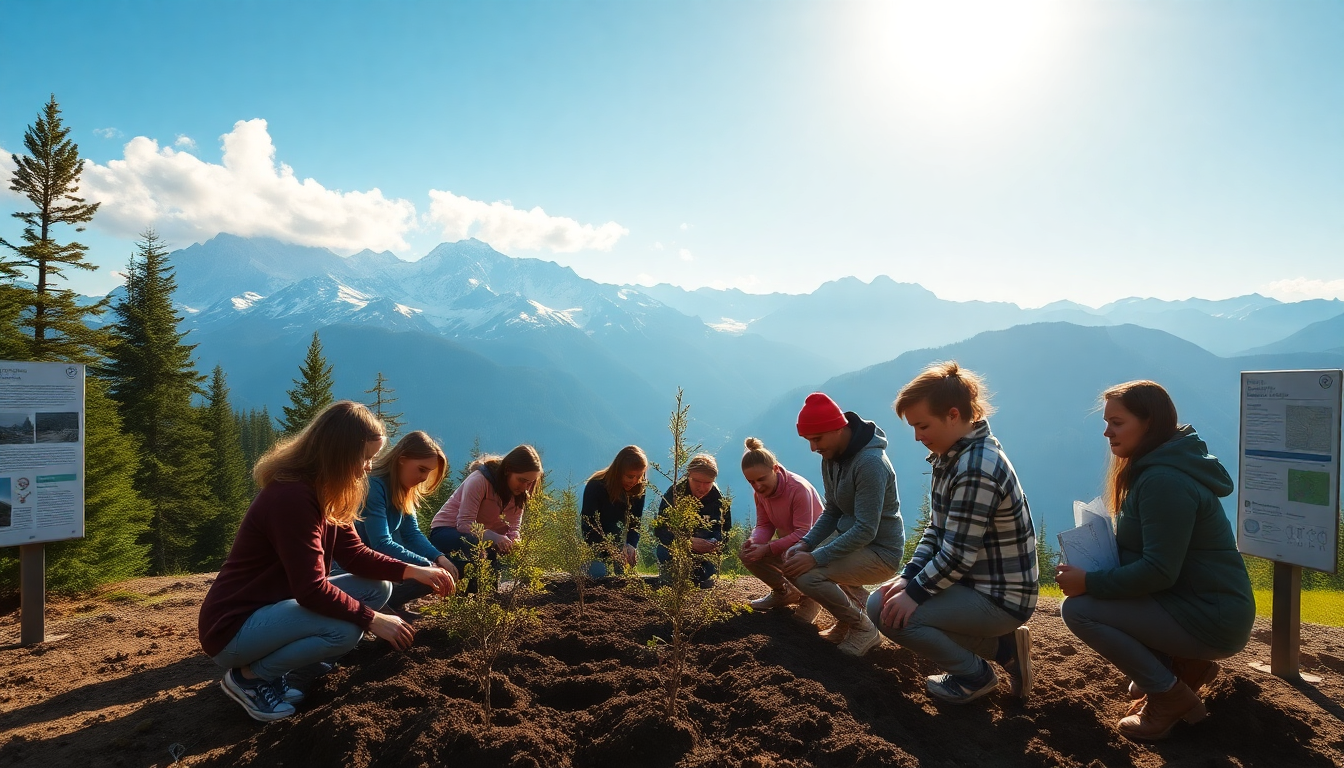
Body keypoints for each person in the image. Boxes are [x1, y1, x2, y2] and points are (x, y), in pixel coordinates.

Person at [198, 401, 456, 722]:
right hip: (232, 629)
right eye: (364, 458)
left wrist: (415, 571)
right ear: (339, 454)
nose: (367, 468)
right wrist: (372, 619)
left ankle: (274, 669)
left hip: (269, 610)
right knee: (345, 632)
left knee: (377, 586)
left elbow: (355, 555)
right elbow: (311, 590)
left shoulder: (326, 491)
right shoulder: (291, 498)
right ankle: (250, 678)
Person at [1058, 380, 1253, 741]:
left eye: (1116, 422)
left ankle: (1169, 696)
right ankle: (1183, 665)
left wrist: (1089, 583)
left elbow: (1160, 571)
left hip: (1210, 617)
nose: (1107, 432)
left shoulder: (1164, 481)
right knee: (1094, 608)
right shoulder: (1156, 469)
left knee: (1078, 610)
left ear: (1148, 423)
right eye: (1107, 422)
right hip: (1195, 603)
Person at [869, 362, 1039, 705]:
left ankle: (974, 675)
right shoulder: (952, 455)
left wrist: (914, 594)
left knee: (891, 616)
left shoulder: (976, 467)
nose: (917, 436)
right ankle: (1004, 649)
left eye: (922, 425)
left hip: (1001, 597)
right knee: (884, 603)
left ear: (953, 415)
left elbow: (958, 554)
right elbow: (937, 529)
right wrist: (908, 577)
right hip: (972, 583)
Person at [785, 392, 904, 657]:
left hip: (881, 552)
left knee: (808, 574)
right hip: (853, 542)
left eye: (817, 439)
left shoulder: (871, 464)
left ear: (838, 429)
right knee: (795, 561)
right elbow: (832, 511)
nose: (813, 448)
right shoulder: (832, 458)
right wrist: (805, 544)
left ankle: (863, 628)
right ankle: (846, 619)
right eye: (809, 440)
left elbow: (866, 529)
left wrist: (815, 558)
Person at [352, 430, 459, 620]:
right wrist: (426, 566)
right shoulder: (374, 486)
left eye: (428, 471)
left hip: (380, 567)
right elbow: (381, 543)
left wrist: (439, 558)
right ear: (402, 459)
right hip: (355, 568)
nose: (424, 478)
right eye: (421, 469)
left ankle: (392, 605)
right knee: (429, 574)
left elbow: (411, 534)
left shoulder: (404, 489)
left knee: (433, 573)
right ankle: (378, 605)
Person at [429, 445, 542, 590]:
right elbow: (464, 524)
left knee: (489, 576)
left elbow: (513, 528)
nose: (525, 487)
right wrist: (495, 537)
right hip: (445, 533)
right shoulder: (480, 480)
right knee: (476, 548)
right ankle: (458, 591)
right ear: (507, 470)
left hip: (480, 539)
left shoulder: (519, 495)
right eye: (522, 480)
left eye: (530, 482)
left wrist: (514, 543)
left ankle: (478, 600)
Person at [738, 437, 824, 611]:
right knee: (747, 554)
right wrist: (754, 541)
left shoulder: (798, 489)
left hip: (816, 548)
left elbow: (804, 533)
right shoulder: (760, 493)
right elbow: (764, 525)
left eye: (761, 479)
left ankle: (811, 598)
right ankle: (783, 591)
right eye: (751, 482)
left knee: (801, 624)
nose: (757, 486)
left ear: (775, 469)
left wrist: (768, 548)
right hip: (790, 546)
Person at [655, 453, 730, 589]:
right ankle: (676, 576)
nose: (701, 487)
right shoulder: (675, 494)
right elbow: (660, 529)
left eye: (707, 483)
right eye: (696, 481)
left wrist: (714, 543)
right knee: (663, 552)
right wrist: (687, 542)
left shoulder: (719, 500)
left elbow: (725, 533)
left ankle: (690, 577)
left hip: (705, 555)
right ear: (688, 475)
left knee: (699, 572)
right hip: (676, 550)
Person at [581, 445, 648, 577]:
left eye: (639, 476)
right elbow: (588, 526)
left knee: (625, 578)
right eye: (630, 476)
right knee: (598, 574)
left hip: (620, 546)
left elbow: (635, 523)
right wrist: (610, 549)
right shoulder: (596, 486)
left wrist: (631, 545)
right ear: (618, 471)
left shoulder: (639, 488)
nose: (634, 481)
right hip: (596, 546)